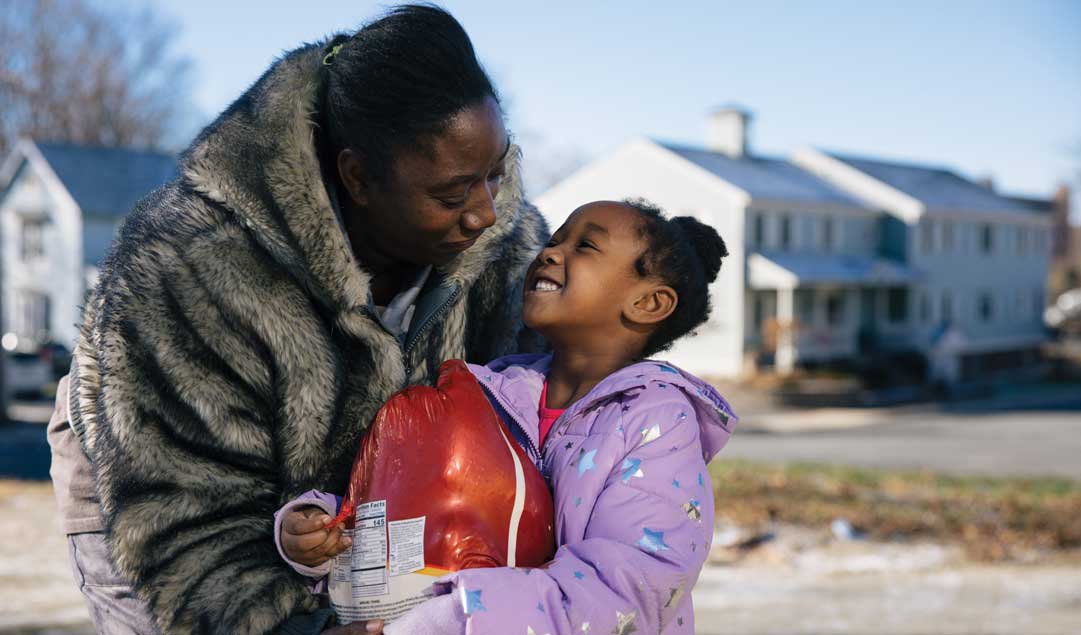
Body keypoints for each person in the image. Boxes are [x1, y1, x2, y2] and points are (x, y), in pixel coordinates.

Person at [50, 5, 548, 634]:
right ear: (357, 177)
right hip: (157, 496)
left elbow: (572, 403)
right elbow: (186, 525)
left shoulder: (507, 246)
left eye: (496, 174)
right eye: (452, 196)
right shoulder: (192, 266)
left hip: (352, 522)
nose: (484, 213)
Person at [279, 199, 739, 634]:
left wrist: (449, 620)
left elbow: (627, 589)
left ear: (648, 303)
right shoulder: (490, 390)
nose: (550, 252)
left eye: (585, 245)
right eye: (555, 239)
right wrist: (322, 528)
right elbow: (409, 493)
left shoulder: (656, 423)